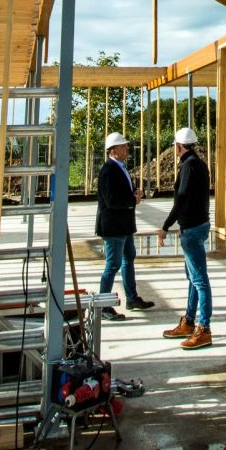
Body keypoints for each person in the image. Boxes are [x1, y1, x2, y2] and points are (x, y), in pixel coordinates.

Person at [158, 127, 212, 350]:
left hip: (192, 228)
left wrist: (165, 226)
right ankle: (189, 322)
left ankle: (204, 329)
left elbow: (180, 200)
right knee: (192, 277)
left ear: (179, 146)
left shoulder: (188, 167)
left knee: (199, 279)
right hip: (197, 224)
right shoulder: (200, 164)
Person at [96, 131, 154, 321]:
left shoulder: (120, 167)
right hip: (114, 227)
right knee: (112, 265)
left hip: (124, 225)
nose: (127, 149)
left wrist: (133, 194)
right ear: (113, 151)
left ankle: (132, 298)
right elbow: (111, 200)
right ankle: (103, 305)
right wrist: (132, 199)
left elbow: (120, 195)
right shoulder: (108, 170)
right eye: (123, 146)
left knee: (128, 258)